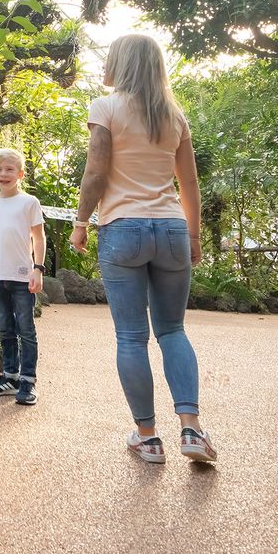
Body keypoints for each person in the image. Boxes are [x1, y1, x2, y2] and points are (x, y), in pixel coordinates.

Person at [71, 34, 217, 465]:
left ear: (122, 63)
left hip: (123, 227)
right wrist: (193, 235)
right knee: (172, 330)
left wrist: (81, 222)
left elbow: (96, 170)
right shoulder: (174, 115)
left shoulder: (107, 107)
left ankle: (148, 438)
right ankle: (191, 430)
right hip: (172, 227)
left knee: (132, 337)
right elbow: (188, 183)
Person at [0, 147, 46, 406]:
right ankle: (10, 377)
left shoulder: (29, 202)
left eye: (9, 169)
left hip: (22, 276)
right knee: (5, 329)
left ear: (20, 173)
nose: (3, 174)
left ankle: (28, 380)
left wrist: (37, 269)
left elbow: (38, 237)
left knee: (26, 330)